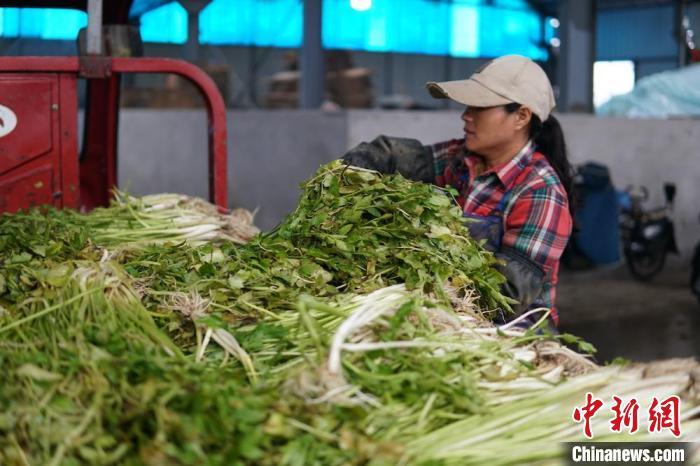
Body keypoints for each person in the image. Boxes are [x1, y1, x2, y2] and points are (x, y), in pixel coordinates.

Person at [342, 55, 574, 331]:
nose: (466, 115)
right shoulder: (461, 159)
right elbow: (394, 156)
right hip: (448, 311)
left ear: (521, 116)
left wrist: (414, 276)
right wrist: (345, 178)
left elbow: (506, 296)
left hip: (512, 331)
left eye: (479, 107)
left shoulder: (540, 192)